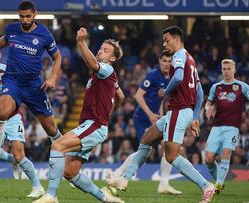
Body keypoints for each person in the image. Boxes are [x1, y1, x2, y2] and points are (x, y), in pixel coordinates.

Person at [106, 26, 215, 203]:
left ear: (177, 39)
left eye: (167, 39)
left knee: (171, 155)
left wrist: (166, 91)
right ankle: (124, 178)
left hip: (178, 111)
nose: (165, 43)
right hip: (182, 112)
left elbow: (178, 77)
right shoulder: (191, 60)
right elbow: (200, 92)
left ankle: (205, 186)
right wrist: (195, 117)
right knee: (146, 139)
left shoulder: (179, 56)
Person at [34, 28, 125, 203]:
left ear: (113, 58)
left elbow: (92, 64)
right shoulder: (105, 77)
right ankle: (104, 198)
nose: (100, 51)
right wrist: (109, 115)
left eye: (105, 50)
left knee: (58, 146)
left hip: (94, 125)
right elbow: (120, 96)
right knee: (70, 172)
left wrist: (81, 42)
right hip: (93, 125)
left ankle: (51, 195)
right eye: (100, 48)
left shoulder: (106, 69)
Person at [0, 0, 62, 172]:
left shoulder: (44, 34)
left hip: (34, 85)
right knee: (1, 112)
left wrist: (52, 77)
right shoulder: (11, 29)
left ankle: (65, 159)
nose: (25, 20)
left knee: (52, 130)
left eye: (28, 16)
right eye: (21, 16)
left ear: (35, 14)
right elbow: (2, 41)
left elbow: (57, 57)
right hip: (12, 81)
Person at [0, 41, 44, 198]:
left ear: (0, 55)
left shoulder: (9, 71)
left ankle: (37, 186)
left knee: (20, 155)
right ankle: (11, 159)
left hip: (13, 118)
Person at [108, 50, 182, 195]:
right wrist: (149, 115)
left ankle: (164, 183)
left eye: (169, 61)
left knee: (167, 146)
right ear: (160, 61)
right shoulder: (153, 75)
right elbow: (138, 95)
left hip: (155, 118)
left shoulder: (170, 77)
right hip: (142, 118)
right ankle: (118, 173)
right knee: (144, 151)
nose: (167, 64)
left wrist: (161, 116)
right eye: (164, 61)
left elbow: (160, 101)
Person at [204, 59, 249, 194]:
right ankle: (219, 180)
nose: (226, 71)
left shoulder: (242, 87)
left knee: (226, 153)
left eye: (229, 69)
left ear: (234, 70)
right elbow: (209, 103)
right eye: (224, 69)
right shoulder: (216, 87)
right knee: (208, 159)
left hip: (232, 127)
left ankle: (218, 184)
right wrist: (208, 109)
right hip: (217, 126)